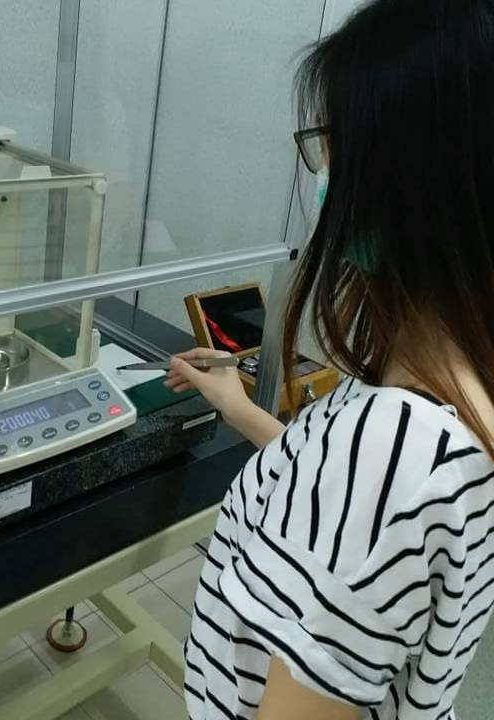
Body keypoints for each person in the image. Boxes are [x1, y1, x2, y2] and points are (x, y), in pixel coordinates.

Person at [165, 1, 494, 718]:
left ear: (412, 180)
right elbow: (338, 509)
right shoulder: (439, 398)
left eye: (333, 147)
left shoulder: (392, 451)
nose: (323, 176)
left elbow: (365, 492)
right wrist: (241, 408)